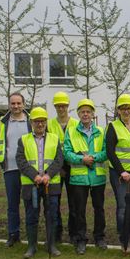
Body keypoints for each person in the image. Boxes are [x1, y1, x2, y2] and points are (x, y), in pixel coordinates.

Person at [16, 107, 64, 259]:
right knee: (31, 215)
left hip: (51, 184)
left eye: (42, 121)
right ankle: (32, 246)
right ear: (31, 122)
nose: (40, 124)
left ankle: (51, 245)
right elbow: (21, 161)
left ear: (46, 122)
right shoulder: (23, 140)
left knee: (51, 216)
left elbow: (58, 160)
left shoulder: (54, 138)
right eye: (37, 121)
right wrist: (34, 176)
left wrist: (48, 175)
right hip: (32, 185)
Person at [63, 99, 108, 255]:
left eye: (88, 112)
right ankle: (81, 239)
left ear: (93, 114)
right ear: (78, 114)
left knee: (99, 209)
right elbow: (67, 153)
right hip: (79, 178)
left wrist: (93, 158)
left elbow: (106, 151)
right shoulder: (71, 131)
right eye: (82, 112)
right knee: (79, 211)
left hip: (97, 177)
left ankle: (99, 237)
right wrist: (82, 159)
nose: (86, 114)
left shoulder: (102, 132)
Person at [106, 93, 130, 253]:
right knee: (123, 207)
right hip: (120, 174)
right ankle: (124, 242)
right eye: (123, 108)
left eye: (129, 108)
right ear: (118, 110)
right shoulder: (113, 127)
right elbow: (110, 152)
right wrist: (122, 171)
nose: (126, 111)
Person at [0, 92, 31, 248]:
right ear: (9, 105)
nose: (16, 106)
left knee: (30, 204)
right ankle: (13, 234)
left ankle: (31, 234)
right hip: (10, 169)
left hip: (29, 170)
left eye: (18, 103)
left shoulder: (31, 121)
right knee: (12, 204)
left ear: (23, 104)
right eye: (13, 103)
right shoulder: (2, 123)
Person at [47, 91, 78, 243]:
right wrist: (58, 168)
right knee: (55, 201)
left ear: (67, 106)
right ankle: (56, 233)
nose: (61, 109)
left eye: (63, 106)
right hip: (55, 168)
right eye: (58, 106)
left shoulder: (76, 124)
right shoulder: (49, 124)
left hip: (73, 167)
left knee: (74, 202)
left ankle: (73, 233)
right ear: (55, 107)